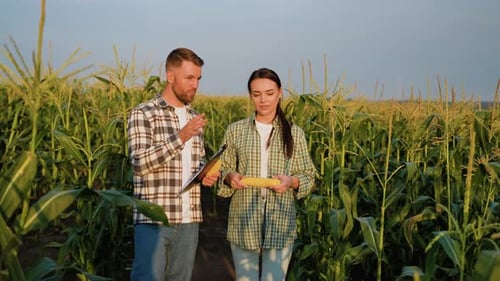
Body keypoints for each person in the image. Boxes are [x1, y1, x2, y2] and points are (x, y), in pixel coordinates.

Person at [127, 47, 219, 281]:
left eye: (198, 79)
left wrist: (205, 174)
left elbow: (195, 161)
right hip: (154, 219)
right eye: (189, 78)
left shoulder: (194, 117)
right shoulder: (143, 113)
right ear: (170, 76)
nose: (195, 85)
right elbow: (139, 163)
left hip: (189, 220)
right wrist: (181, 136)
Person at [218, 67, 316, 281]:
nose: (263, 100)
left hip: (280, 220)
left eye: (269, 93)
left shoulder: (295, 133)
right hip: (244, 219)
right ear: (250, 96)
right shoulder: (235, 130)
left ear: (280, 93)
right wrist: (230, 177)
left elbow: (309, 176)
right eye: (256, 94)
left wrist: (291, 181)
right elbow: (221, 169)